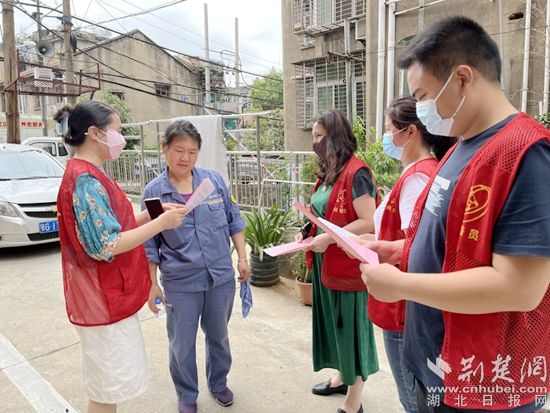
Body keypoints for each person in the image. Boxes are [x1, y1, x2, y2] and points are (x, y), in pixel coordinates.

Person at [360, 17, 550, 413]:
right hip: (434, 366)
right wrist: (400, 251)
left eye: (423, 95)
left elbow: (520, 288)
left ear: (462, 78)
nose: (421, 109)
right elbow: (456, 243)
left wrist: (402, 285)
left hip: (482, 385)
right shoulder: (461, 146)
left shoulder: (526, 154)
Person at [56, 101, 187, 413]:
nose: (121, 139)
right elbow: (107, 244)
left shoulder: (89, 173)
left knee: (107, 386)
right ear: (94, 133)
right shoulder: (85, 180)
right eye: (116, 131)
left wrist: (151, 214)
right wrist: (160, 223)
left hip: (104, 294)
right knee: (106, 390)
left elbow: (115, 224)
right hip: (102, 297)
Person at [142, 120, 250, 413]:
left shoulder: (212, 182)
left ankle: (218, 382)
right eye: (179, 150)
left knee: (219, 336)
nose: (185, 157)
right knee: (181, 343)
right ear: (164, 149)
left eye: (192, 152)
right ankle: (187, 394)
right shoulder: (155, 193)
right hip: (181, 282)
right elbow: (150, 243)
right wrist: (152, 284)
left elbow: (234, 220)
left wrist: (242, 258)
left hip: (220, 278)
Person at [296, 109, 379, 413]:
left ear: (336, 137)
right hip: (325, 264)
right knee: (334, 326)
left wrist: (329, 238)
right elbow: (322, 214)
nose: (315, 142)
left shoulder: (358, 174)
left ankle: (353, 401)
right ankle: (342, 377)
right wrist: (307, 231)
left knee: (350, 329)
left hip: (347, 266)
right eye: (314, 136)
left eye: (320, 136)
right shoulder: (329, 173)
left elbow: (368, 221)